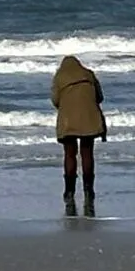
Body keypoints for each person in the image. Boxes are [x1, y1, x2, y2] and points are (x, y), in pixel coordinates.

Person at [51, 55, 107, 212]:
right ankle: (89, 192)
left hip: (68, 120)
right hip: (89, 116)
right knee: (87, 153)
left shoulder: (59, 77)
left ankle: (69, 193)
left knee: (69, 154)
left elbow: (55, 100)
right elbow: (99, 97)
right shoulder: (88, 74)